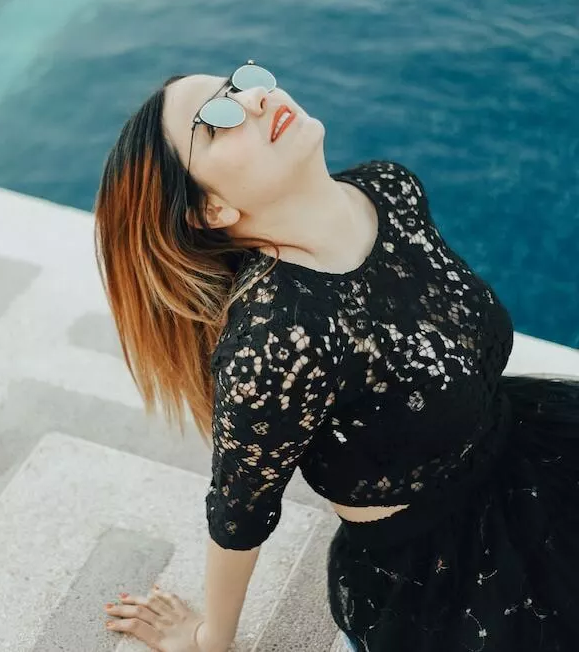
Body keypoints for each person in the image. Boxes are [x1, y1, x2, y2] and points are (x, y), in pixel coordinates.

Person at [93, 61, 579, 652]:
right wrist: (208, 639)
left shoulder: (388, 188)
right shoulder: (277, 339)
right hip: (439, 562)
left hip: (528, 450)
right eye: (216, 120)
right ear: (211, 210)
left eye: (240, 84)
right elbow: (239, 512)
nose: (255, 101)